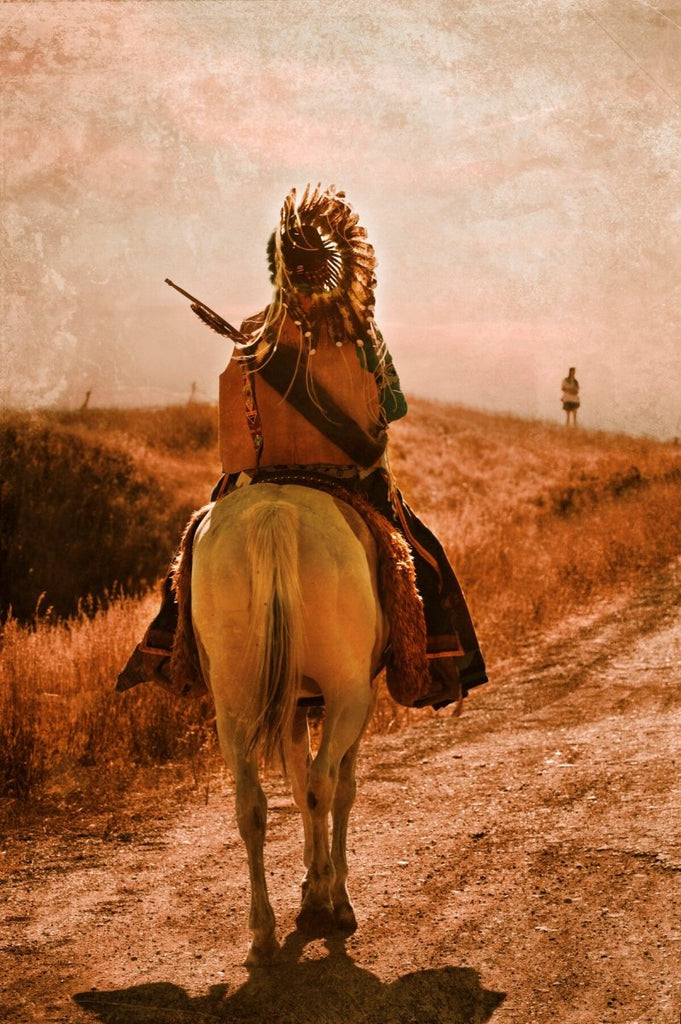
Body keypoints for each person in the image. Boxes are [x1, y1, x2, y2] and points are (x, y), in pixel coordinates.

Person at [116, 184, 487, 710]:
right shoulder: (362, 335)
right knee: (423, 554)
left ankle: (169, 646)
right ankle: (436, 664)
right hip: (347, 479)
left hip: (257, 478)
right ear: (334, 266)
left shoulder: (252, 331)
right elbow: (394, 407)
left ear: (283, 269)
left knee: (191, 556)